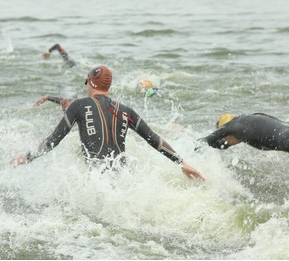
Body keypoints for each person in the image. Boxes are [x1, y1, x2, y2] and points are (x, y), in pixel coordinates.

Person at [12, 65, 204, 180]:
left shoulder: (77, 106)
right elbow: (154, 139)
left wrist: (28, 157)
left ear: (90, 82)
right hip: (124, 177)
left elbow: (53, 140)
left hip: (97, 181)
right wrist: (182, 163)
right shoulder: (126, 110)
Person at [199, 113, 289, 162]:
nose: (228, 143)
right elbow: (222, 146)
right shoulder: (248, 120)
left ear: (227, 134)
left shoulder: (233, 127)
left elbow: (203, 142)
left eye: (226, 140)